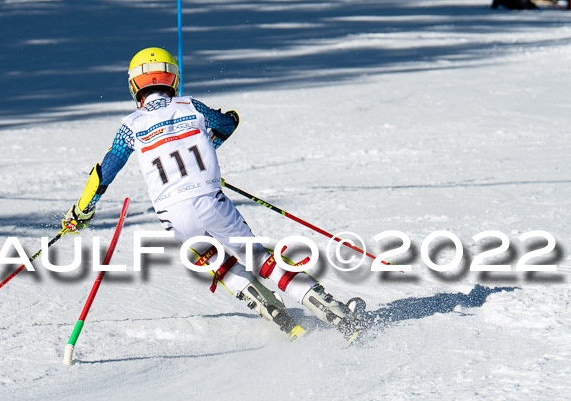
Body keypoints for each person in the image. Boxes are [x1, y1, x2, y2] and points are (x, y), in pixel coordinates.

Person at [63, 47, 365, 343]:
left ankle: (284, 322)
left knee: (219, 263)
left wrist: (81, 211)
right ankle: (336, 313)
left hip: (172, 215)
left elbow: (104, 173)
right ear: (173, 79)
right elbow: (228, 122)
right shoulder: (191, 106)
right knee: (257, 256)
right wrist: (208, 149)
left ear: (134, 86)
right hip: (209, 200)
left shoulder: (129, 127)